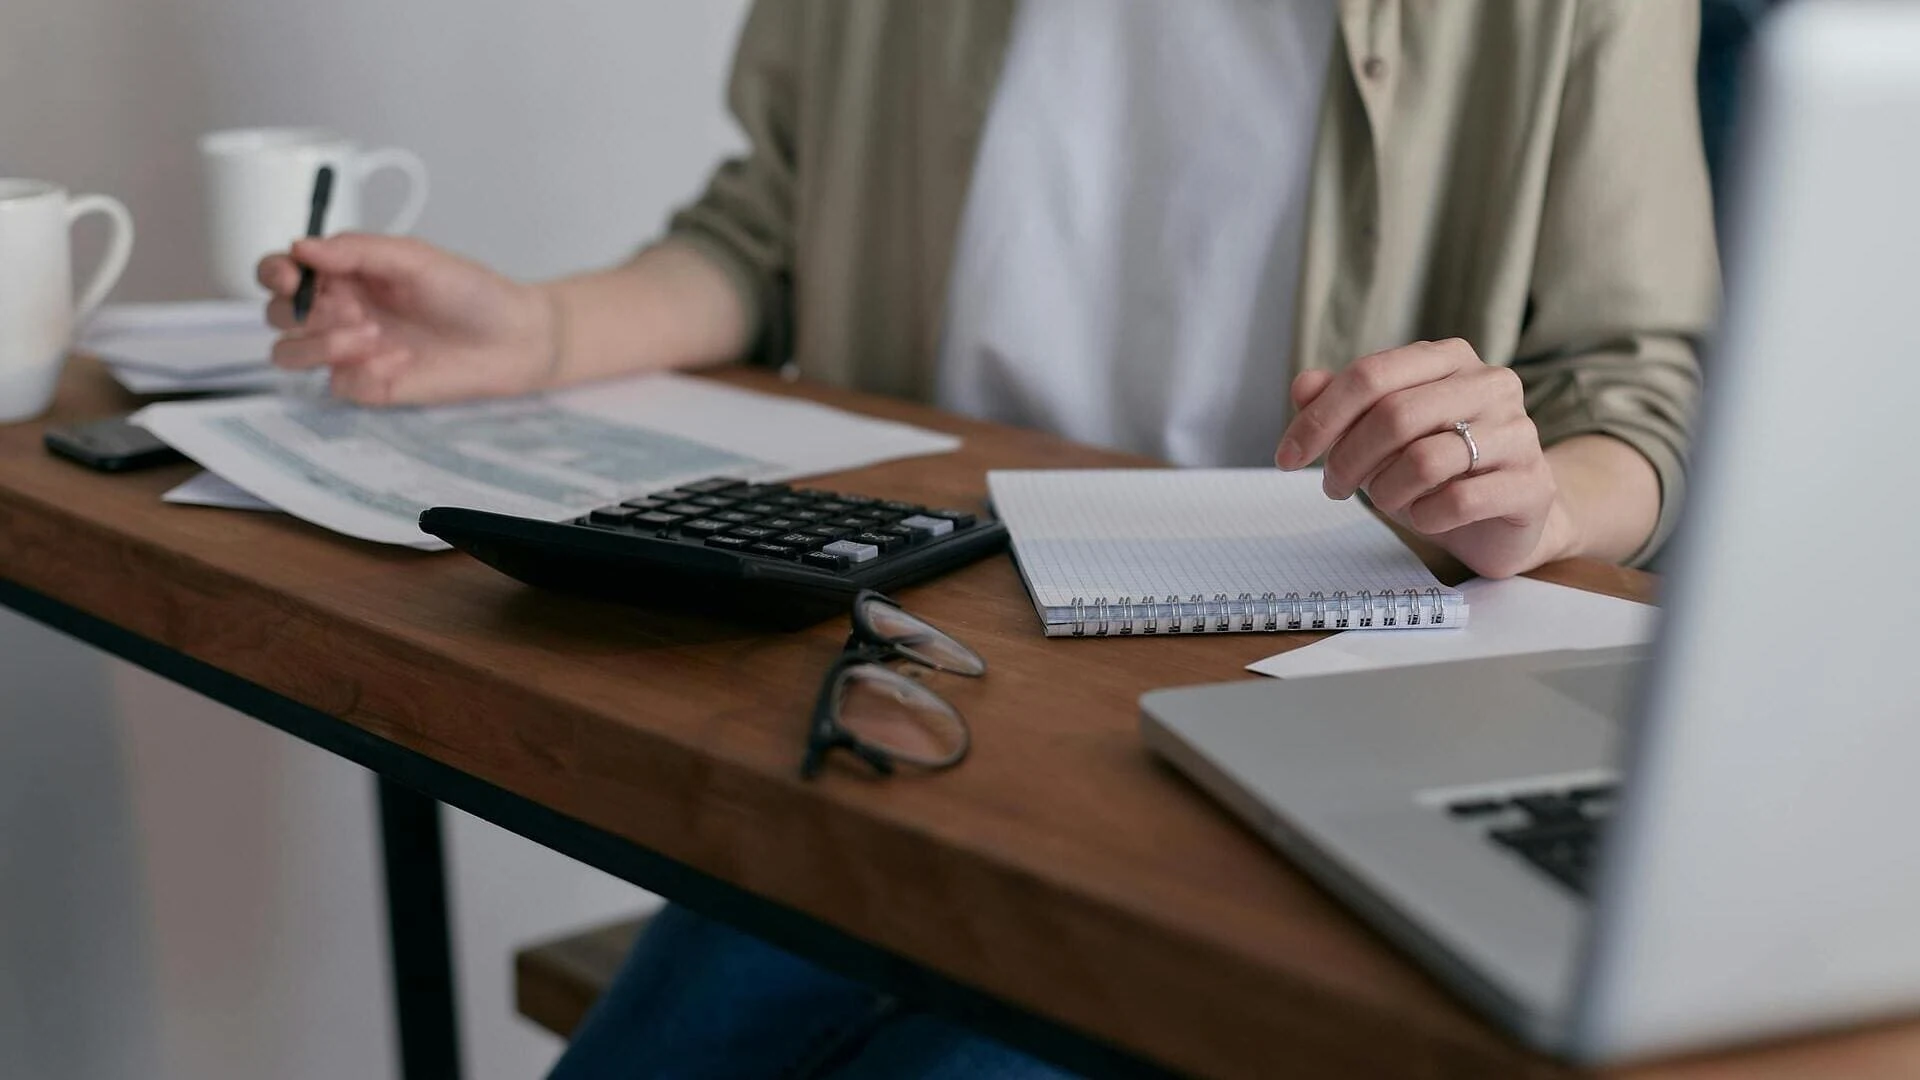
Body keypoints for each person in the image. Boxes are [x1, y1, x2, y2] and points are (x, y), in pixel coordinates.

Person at [258, 3, 1717, 1075]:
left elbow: (1639, 390)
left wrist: (1537, 502)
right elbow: (766, 236)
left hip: (1305, 709)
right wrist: (539, 330)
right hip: (920, 671)